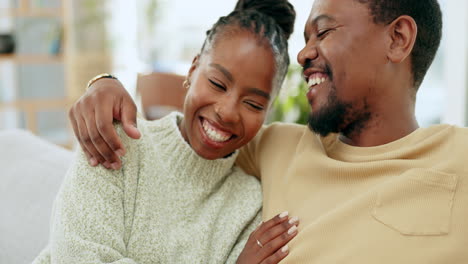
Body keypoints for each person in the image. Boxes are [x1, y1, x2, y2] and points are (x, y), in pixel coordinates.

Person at [69, 0, 468, 263]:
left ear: (397, 39)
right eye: (306, 37)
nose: (303, 53)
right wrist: (103, 84)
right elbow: (190, 137)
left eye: (325, 32)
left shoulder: (460, 157)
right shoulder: (276, 146)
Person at [34, 1, 301, 263]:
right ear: (193, 69)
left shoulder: (250, 207)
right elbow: (79, 257)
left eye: (253, 104)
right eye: (218, 84)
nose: (228, 112)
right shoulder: (115, 142)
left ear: (268, 111)